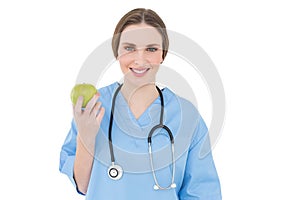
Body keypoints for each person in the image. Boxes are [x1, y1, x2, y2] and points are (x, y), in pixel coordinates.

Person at [59, 8, 222, 199]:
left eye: (151, 49)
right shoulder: (94, 105)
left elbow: (202, 192)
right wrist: (85, 137)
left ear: (163, 55)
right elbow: (83, 185)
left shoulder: (186, 116)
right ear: (117, 52)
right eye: (129, 48)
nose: (140, 59)